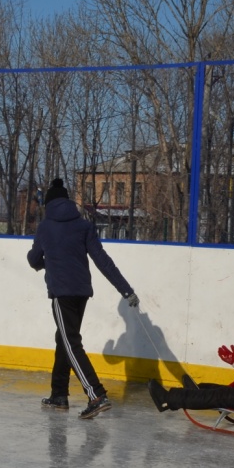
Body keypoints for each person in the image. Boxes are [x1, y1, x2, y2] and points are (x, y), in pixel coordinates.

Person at [27, 177, 139, 419]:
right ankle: (59, 394)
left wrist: (48, 262)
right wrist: (126, 290)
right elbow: (103, 261)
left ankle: (96, 395)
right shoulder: (83, 225)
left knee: (70, 343)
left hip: (61, 292)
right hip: (82, 293)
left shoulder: (46, 226)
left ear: (48, 204)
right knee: (64, 340)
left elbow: (34, 260)